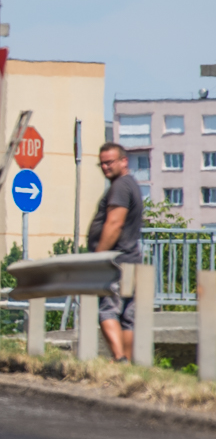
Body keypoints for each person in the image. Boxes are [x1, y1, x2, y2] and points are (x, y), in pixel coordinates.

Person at [88, 141, 143, 361]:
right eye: (101, 164)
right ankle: (125, 364)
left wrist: (99, 256)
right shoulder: (132, 184)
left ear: (123, 161)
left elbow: (114, 223)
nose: (105, 168)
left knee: (108, 310)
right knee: (127, 317)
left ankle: (119, 358)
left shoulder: (120, 186)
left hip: (116, 261)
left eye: (109, 162)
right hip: (132, 259)